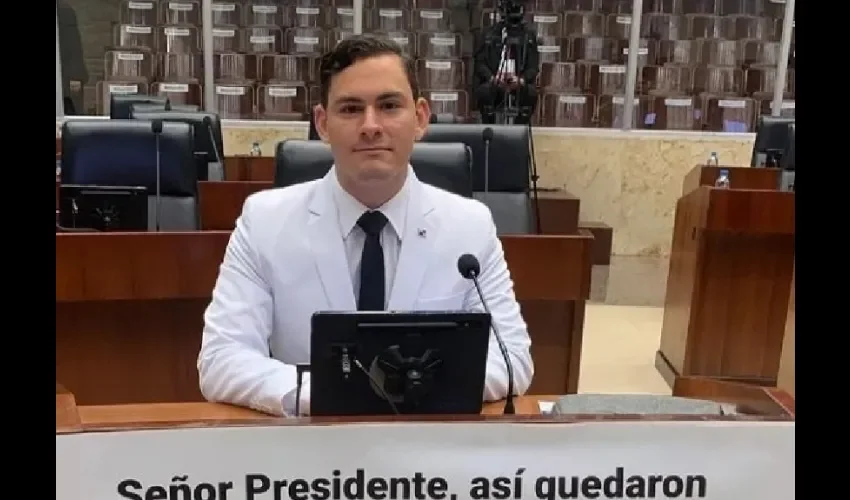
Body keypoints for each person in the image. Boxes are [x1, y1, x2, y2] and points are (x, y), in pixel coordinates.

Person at [198, 34, 534, 416]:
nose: (371, 126)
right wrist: (332, 394)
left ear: (421, 118)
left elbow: (512, 360)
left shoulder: (469, 227)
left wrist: (406, 389)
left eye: (389, 105)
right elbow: (222, 360)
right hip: (308, 455)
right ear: (322, 124)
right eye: (351, 108)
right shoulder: (263, 222)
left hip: (429, 457)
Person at [473, 1, 540, 125]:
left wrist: (521, 80)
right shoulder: (489, 34)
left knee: (531, 94)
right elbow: (480, 64)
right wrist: (493, 78)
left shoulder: (528, 36)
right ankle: (490, 127)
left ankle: (519, 129)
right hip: (495, 82)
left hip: (518, 83)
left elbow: (533, 67)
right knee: (483, 92)